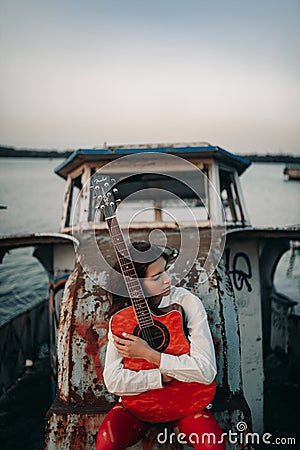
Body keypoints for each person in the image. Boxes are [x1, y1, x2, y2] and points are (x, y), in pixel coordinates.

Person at [96, 241, 225, 450]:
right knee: (106, 443)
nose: (168, 280)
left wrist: (151, 356)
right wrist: (159, 377)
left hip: (188, 402)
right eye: (156, 277)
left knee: (213, 445)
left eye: (165, 271)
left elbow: (206, 371)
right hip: (140, 405)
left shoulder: (187, 303)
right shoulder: (122, 319)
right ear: (136, 284)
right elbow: (113, 381)